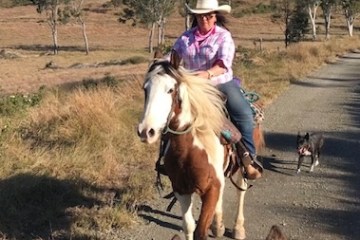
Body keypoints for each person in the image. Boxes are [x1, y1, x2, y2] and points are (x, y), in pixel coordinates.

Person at [171, 0, 263, 179]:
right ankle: (168, 159)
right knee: (169, 115)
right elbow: (172, 57)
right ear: (195, 16)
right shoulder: (185, 38)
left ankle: (248, 159)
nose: (205, 19)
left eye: (209, 15)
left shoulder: (223, 36)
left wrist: (206, 74)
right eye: (201, 15)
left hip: (221, 84)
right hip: (192, 87)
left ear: (215, 17)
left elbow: (223, 65)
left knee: (243, 112)